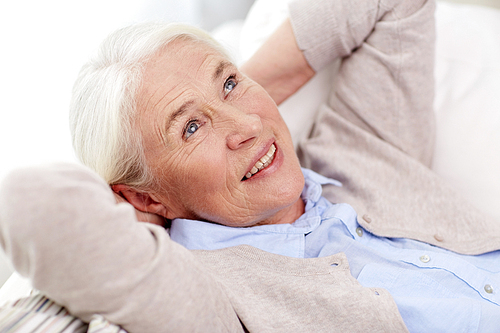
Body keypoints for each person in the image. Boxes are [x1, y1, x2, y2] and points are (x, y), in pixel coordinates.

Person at [1, 0, 499, 332]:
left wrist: (240, 97)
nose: (245, 126)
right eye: (190, 129)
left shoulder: (361, 148)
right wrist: (147, 209)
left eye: (230, 83)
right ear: (143, 197)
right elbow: (26, 203)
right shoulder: (215, 298)